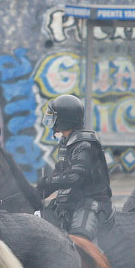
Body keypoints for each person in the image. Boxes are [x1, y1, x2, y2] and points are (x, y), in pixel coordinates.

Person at [35, 94, 112, 241]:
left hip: (91, 201)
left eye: (54, 116)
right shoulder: (66, 141)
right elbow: (60, 173)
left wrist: (47, 182)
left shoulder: (84, 143)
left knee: (79, 240)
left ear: (64, 119)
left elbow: (74, 177)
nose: (52, 120)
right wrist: (36, 193)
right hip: (71, 199)